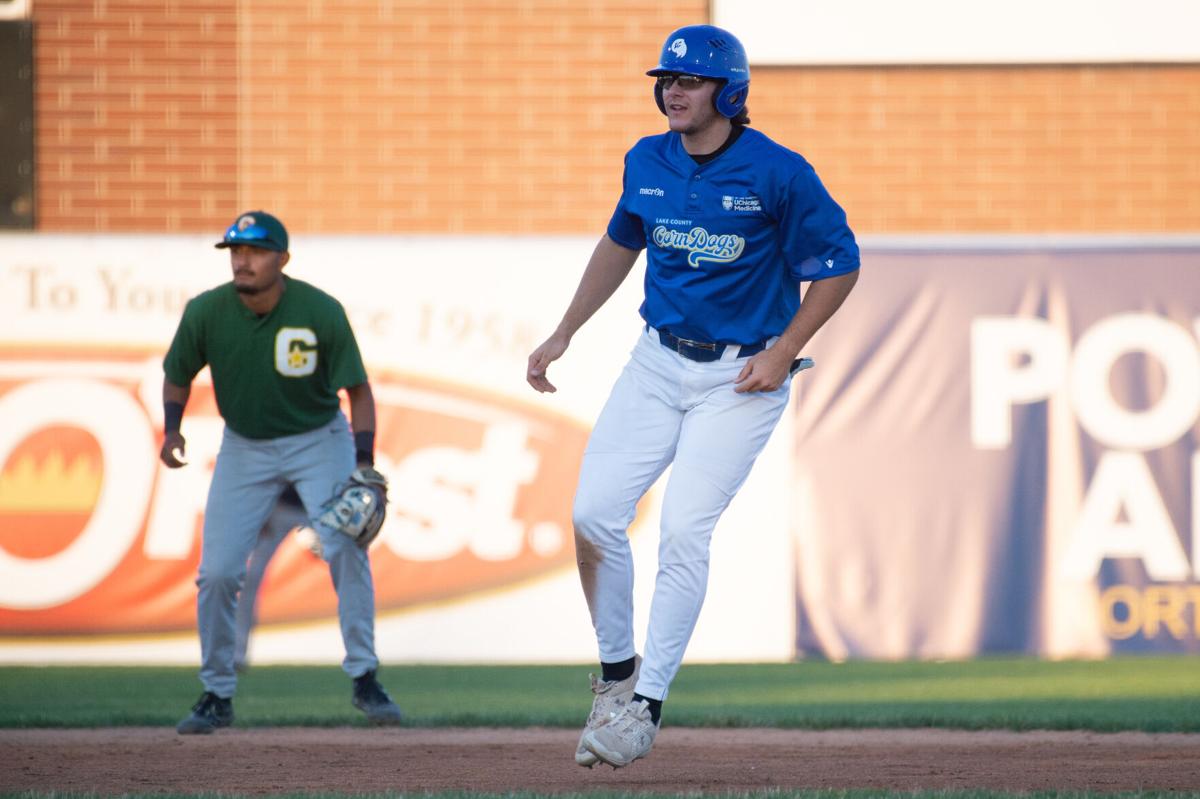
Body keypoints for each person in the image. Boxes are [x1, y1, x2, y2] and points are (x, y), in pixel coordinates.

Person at [526, 25, 860, 768]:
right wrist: (565, 331)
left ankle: (645, 709)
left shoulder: (779, 171)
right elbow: (621, 240)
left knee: (682, 531)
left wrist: (784, 351)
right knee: (591, 514)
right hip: (656, 361)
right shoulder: (647, 159)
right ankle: (618, 677)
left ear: (730, 93)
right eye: (666, 80)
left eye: (691, 80)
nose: (673, 90)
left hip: (740, 378)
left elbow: (839, 264)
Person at [162, 210, 402, 734]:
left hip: (318, 438)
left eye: (256, 250)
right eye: (235, 251)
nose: (243, 260)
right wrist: (172, 428)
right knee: (219, 571)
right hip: (244, 446)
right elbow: (177, 373)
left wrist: (364, 461)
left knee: (343, 543)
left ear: (282, 259)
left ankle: (365, 676)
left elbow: (357, 391)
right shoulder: (207, 311)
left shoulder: (318, 310)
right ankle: (216, 693)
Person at [232, 486, 309, 672]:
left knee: (350, 569)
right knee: (250, 576)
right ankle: (236, 653)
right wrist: (263, 506)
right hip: (281, 505)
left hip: (325, 506)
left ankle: (362, 661)